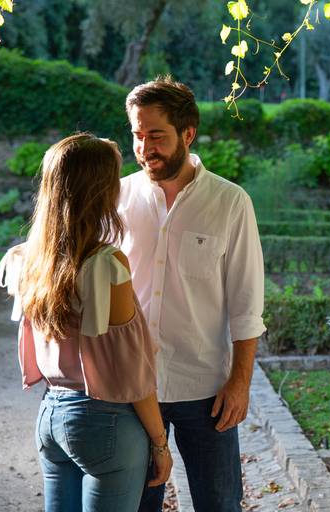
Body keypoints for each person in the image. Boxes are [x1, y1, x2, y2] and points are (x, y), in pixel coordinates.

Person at [0, 133, 173, 511]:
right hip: (105, 420)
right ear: (100, 192)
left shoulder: (30, 260)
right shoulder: (106, 265)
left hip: (51, 414)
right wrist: (160, 442)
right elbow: (129, 370)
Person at [119, 77, 266, 512]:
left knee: (219, 504)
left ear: (187, 133)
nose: (145, 147)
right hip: (133, 387)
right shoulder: (118, 197)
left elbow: (246, 302)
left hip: (207, 390)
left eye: (156, 136)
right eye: (137, 135)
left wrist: (240, 383)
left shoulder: (231, 203)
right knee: (137, 505)